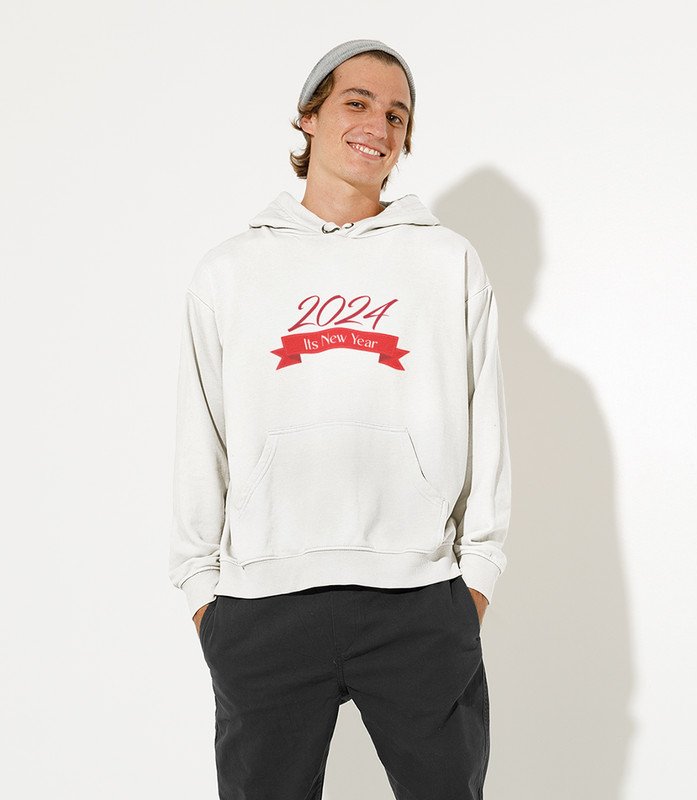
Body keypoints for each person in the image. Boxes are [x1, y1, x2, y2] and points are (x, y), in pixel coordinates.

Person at [169, 38, 512, 800]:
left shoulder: (447, 262)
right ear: (309, 117)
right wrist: (201, 592)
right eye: (357, 103)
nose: (377, 126)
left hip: (419, 601)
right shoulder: (230, 271)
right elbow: (202, 437)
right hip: (263, 608)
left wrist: (475, 581)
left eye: (396, 115)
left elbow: (484, 424)